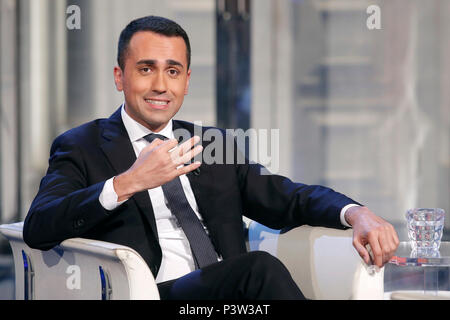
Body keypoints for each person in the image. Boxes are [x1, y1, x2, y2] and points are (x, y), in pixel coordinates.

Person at [23, 15, 399, 300]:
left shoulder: (209, 142)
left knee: (253, 276)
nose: (160, 85)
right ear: (120, 77)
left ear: (186, 81)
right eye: (145, 69)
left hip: (227, 292)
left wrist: (356, 213)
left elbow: (285, 197)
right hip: (155, 292)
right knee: (258, 270)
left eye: (172, 71)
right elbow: (38, 226)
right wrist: (128, 182)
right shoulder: (82, 145)